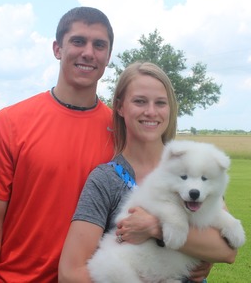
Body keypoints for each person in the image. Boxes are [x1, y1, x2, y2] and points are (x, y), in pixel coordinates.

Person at [0, 6, 116, 282]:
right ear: (57, 49)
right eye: (78, 41)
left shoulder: (121, 131)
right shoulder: (9, 123)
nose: (88, 52)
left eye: (99, 45)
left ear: (108, 56)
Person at [58, 62, 238, 283]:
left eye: (160, 103)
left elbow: (227, 251)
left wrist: (155, 227)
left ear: (170, 109)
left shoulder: (194, 167)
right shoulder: (105, 179)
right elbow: (70, 273)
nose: (151, 111)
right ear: (120, 107)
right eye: (140, 101)